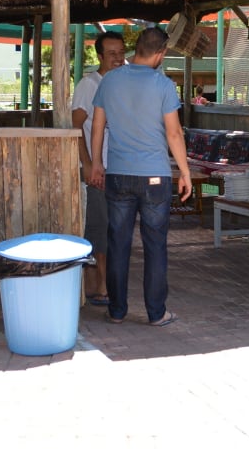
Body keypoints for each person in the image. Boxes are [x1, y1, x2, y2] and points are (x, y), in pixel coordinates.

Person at [89, 27, 192, 327]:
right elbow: (174, 133)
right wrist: (184, 172)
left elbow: (97, 126)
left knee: (118, 244)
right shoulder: (164, 85)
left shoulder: (110, 80)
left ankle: (117, 311)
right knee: (155, 245)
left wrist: (97, 164)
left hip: (119, 174)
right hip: (154, 177)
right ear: (161, 53)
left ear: (137, 49)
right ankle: (156, 313)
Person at [70, 31, 125, 306]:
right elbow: (75, 125)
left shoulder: (123, 83)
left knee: (115, 226)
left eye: (121, 53)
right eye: (112, 54)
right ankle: (101, 285)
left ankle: (104, 282)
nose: (118, 58)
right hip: (97, 170)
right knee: (99, 225)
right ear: (100, 56)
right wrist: (88, 163)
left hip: (120, 167)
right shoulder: (89, 84)